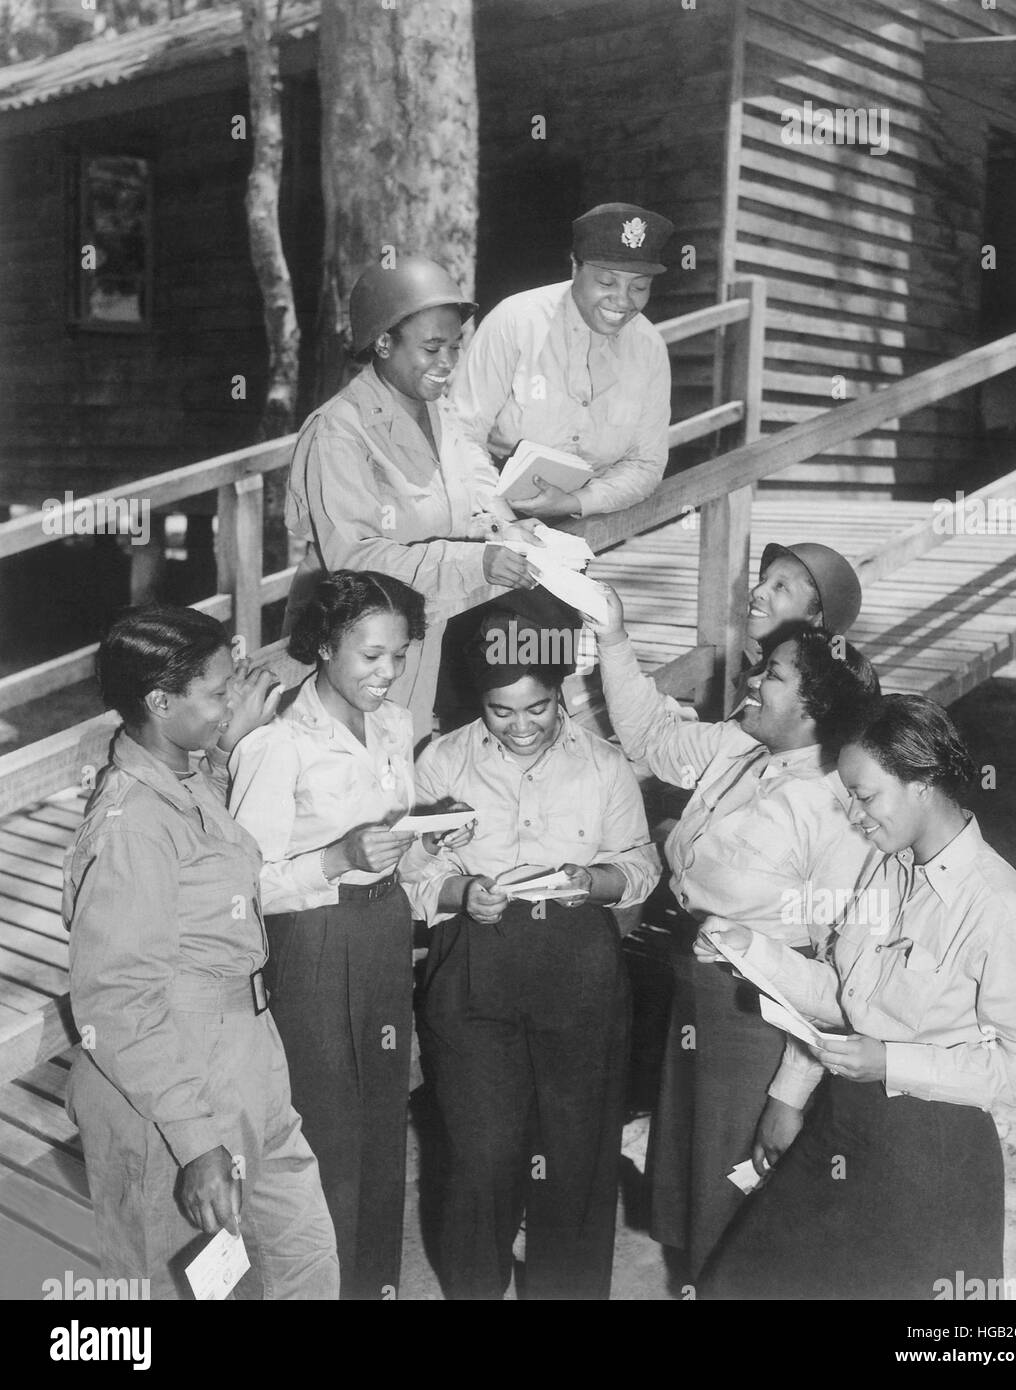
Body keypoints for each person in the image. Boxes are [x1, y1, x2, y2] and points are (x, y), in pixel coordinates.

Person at [695, 694, 1016, 1300]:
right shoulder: (887, 867)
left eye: (866, 798)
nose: (856, 818)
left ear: (921, 782)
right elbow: (846, 997)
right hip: (845, 1125)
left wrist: (892, 1061)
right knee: (737, 1287)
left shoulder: (1002, 909)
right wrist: (749, 949)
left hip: (932, 1156)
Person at [589, 584, 879, 1280]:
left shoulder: (838, 811)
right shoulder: (740, 745)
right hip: (694, 998)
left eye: (771, 677)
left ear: (814, 708)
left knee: (741, 1201)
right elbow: (651, 736)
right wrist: (612, 638)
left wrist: (787, 1097)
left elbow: (840, 978)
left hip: (760, 1022)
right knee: (694, 1192)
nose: (751, 681)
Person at [63, 605, 338, 1300]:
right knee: (184, 1289)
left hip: (244, 1054)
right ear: (160, 702)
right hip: (172, 1083)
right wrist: (194, 1141)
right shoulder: (132, 824)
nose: (231, 703)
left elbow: (212, 852)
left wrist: (224, 743)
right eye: (217, 693)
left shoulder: (182, 776)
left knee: (303, 1262)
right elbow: (118, 1000)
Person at [402, 604, 662, 1299]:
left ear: (560, 691)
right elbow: (409, 871)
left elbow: (640, 863)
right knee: (482, 1157)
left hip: (578, 968)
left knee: (576, 1158)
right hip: (473, 970)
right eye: (500, 711)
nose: (520, 726)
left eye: (537, 708)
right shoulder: (443, 761)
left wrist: (596, 880)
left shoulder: (604, 766)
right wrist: (459, 891)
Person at [227, 571, 471, 1300]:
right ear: (325, 645)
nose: (387, 673)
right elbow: (244, 889)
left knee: (380, 1118)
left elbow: (392, 842)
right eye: (370, 656)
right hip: (312, 946)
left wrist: (431, 836)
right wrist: (337, 859)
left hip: (383, 929)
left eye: (399, 655)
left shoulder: (395, 727)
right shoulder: (275, 746)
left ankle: (373, 1286)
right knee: (325, 1129)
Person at [283, 255, 539, 743]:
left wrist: (507, 529)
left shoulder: (441, 414)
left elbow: (478, 487)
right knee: (346, 779)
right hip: (356, 648)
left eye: (455, 347)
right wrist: (474, 562)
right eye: (431, 347)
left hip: (426, 629)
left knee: (409, 763)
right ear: (382, 343)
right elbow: (352, 557)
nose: (448, 363)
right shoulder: (339, 431)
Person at [451, 202, 675, 521]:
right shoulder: (515, 321)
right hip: (488, 508)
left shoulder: (649, 348)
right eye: (607, 283)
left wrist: (576, 502)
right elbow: (461, 434)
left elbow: (646, 464)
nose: (623, 300)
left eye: (639, 286)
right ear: (574, 268)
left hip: (586, 516)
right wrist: (503, 519)